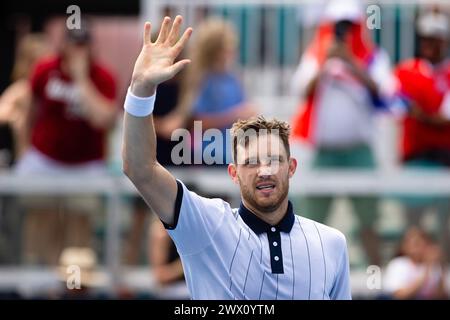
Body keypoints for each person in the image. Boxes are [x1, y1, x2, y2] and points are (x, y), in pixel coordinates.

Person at [122, 15, 351, 299]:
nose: (264, 170)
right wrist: (141, 90)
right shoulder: (206, 225)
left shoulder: (332, 243)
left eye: (273, 160)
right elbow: (141, 169)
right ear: (233, 172)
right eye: (251, 162)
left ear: (291, 167)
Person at [290, 0, 395, 266]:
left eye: (349, 26)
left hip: (359, 151)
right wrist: (327, 62)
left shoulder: (373, 57)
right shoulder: (316, 55)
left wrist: (350, 62)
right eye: (338, 26)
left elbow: (384, 93)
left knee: (369, 223)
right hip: (325, 152)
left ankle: (377, 285)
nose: (343, 32)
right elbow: (302, 90)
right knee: (310, 223)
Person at [15, 21, 117, 265]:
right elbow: (29, 113)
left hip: (85, 164)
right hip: (45, 159)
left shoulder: (103, 77)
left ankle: (73, 283)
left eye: (83, 45)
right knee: (42, 218)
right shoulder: (45, 69)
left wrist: (81, 79)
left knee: (78, 223)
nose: (78, 51)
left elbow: (104, 119)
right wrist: (24, 152)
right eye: (74, 45)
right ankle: (39, 280)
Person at [393, 10, 450, 256]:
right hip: (415, 156)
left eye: (434, 39)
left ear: (444, 41)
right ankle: (413, 274)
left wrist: (419, 113)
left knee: (445, 222)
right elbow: (394, 106)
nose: (427, 43)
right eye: (425, 38)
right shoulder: (405, 71)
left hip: (445, 158)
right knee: (412, 222)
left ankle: (442, 271)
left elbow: (442, 119)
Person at [177, 17, 256, 166]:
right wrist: (233, 116)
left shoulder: (233, 78)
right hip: (208, 156)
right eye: (227, 47)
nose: (232, 51)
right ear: (215, 50)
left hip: (232, 155)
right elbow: (195, 122)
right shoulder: (202, 80)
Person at [383, 227, 448, 300]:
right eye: (415, 244)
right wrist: (426, 271)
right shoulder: (398, 265)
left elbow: (440, 295)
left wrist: (441, 267)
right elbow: (399, 295)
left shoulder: (435, 267)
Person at [148, 218, 189, 299]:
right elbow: (160, 275)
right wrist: (186, 263)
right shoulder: (160, 232)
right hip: (173, 294)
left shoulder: (189, 227)